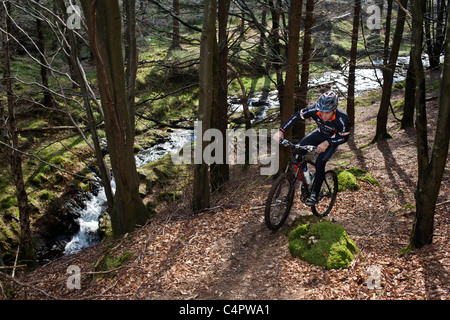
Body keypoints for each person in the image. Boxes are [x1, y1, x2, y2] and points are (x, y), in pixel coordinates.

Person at [273, 91, 350, 206]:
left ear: (334, 109)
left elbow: (344, 138)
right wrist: (281, 131)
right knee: (297, 152)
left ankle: (315, 193)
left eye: (327, 113)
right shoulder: (315, 109)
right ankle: (306, 179)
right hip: (319, 133)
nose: (322, 116)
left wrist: (328, 143)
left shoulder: (342, 118)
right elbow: (296, 116)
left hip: (332, 140)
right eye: (321, 112)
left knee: (320, 162)